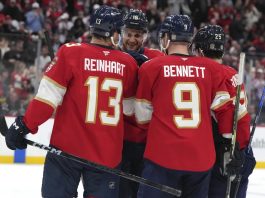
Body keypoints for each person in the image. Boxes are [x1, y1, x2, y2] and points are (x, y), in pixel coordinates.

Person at [5, 5, 139, 198]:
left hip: (66, 151)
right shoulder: (128, 64)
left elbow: (46, 101)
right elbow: (129, 109)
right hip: (107, 156)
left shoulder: (70, 53)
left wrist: (24, 125)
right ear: (113, 31)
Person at [135, 14, 247, 198]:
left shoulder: (151, 67)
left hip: (162, 155)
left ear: (166, 38)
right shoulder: (211, 69)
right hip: (201, 160)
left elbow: (142, 116)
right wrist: (231, 146)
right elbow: (225, 110)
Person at [192, 24, 256, 198]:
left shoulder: (207, 72)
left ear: (200, 49)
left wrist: (227, 149)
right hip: (244, 152)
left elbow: (223, 113)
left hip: (225, 154)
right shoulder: (233, 72)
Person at [118, 9, 164, 198]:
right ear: (121, 33)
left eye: (137, 35)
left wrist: (147, 66)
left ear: (144, 36)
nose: (132, 39)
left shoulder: (157, 58)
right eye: (128, 34)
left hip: (148, 141)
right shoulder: (111, 57)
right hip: (118, 139)